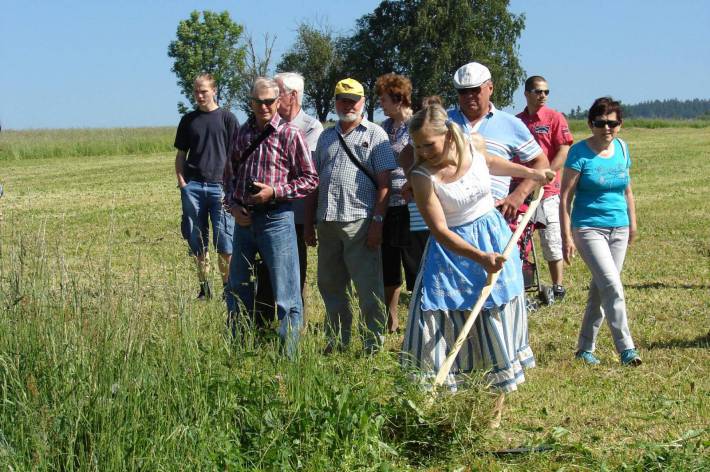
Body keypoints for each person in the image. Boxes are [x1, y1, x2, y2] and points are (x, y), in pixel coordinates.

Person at [401, 100, 552, 416]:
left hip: (494, 236)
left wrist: (531, 173)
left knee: (493, 314)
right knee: (441, 322)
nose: (423, 151)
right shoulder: (422, 176)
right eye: (417, 146)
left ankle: (495, 409)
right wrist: (480, 257)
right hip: (454, 252)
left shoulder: (472, 145)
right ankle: (435, 408)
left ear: (447, 135)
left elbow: (492, 163)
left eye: (428, 144)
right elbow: (440, 231)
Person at [224, 77, 318, 356]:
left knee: (287, 295)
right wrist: (233, 206)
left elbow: (310, 179)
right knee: (238, 289)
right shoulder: (242, 134)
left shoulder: (291, 134)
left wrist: (274, 192)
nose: (263, 107)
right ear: (250, 102)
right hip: (244, 221)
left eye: (269, 102)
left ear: (278, 102)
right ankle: (239, 351)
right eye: (258, 101)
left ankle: (288, 358)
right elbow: (228, 178)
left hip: (277, 219)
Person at [304, 78, 397, 354]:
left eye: (354, 99)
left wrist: (377, 223)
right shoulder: (326, 137)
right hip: (328, 221)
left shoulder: (376, 134)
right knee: (331, 286)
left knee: (368, 288)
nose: (348, 105)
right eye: (343, 99)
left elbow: (385, 185)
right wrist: (309, 224)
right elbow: (315, 182)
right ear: (335, 102)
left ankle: (372, 344)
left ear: (363, 102)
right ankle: (337, 341)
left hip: (361, 221)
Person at [560, 97, 641, 366]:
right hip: (588, 227)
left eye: (613, 123)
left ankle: (584, 348)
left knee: (601, 287)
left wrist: (632, 222)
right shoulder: (579, 153)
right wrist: (566, 236)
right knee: (613, 286)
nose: (607, 129)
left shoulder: (622, 148)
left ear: (620, 124)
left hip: (619, 227)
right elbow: (565, 197)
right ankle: (626, 348)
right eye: (600, 123)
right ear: (590, 123)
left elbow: (627, 190)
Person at [252, 72, 324, 327]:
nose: (270, 95)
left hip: (295, 215)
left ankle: (295, 329)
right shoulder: (263, 126)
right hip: (265, 211)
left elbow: (305, 171)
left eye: (277, 91)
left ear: (292, 96)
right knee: (264, 271)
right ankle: (261, 326)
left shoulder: (311, 127)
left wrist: (275, 186)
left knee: (294, 274)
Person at [447, 62, 549, 220]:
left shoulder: (511, 124)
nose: (469, 96)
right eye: (463, 91)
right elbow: (409, 154)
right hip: (448, 217)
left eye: (475, 90)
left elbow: (541, 163)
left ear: (490, 88)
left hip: (492, 215)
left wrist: (519, 195)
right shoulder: (442, 121)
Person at [174, 74, 237, 300]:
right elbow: (181, 155)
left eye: (204, 91)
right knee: (196, 239)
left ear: (214, 90)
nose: (200, 96)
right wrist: (183, 183)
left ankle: (228, 288)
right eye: (196, 92)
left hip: (221, 187)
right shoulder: (188, 120)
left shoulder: (228, 119)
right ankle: (204, 289)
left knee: (225, 240)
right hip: (194, 188)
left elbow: (237, 155)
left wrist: (232, 186)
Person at [517, 75, 574, 301]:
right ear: (527, 93)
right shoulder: (517, 121)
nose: (543, 96)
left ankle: (557, 286)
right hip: (524, 189)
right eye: (538, 91)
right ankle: (524, 285)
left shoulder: (555, 118)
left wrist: (548, 172)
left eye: (546, 92)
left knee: (551, 240)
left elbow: (563, 149)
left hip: (548, 191)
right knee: (522, 241)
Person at [375, 73, 418, 334]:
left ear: (398, 98)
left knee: (413, 261)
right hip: (386, 204)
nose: (381, 103)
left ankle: (417, 316)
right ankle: (391, 318)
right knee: (388, 262)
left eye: (384, 98)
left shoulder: (416, 125)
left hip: (411, 204)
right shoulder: (383, 127)